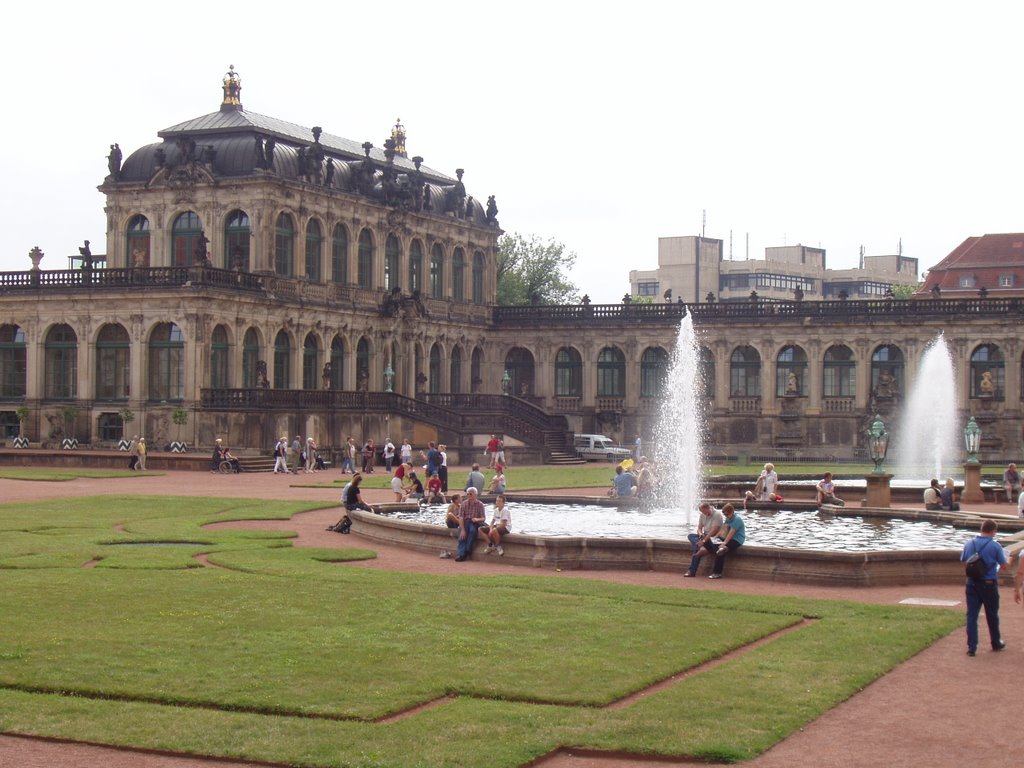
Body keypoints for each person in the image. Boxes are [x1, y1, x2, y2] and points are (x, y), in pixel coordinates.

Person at [962, 519, 1007, 656]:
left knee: (972, 615)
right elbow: (1004, 566)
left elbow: (965, 560)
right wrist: (1009, 560)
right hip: (988, 583)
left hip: (971, 583)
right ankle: (995, 642)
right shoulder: (995, 546)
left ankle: (971, 647)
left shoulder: (969, 543)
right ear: (993, 531)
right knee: (992, 615)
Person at [684, 502, 724, 577]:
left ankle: (692, 571)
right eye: (703, 512)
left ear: (709, 508)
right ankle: (702, 548)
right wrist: (700, 534)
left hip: (714, 538)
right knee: (691, 536)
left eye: (706, 512)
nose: (705, 514)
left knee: (696, 548)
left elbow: (714, 531)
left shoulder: (717, 515)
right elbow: (699, 528)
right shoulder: (703, 515)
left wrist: (704, 540)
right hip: (704, 536)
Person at [709, 503, 745, 579]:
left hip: (736, 539)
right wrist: (715, 537)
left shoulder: (737, 519)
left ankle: (717, 573)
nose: (726, 516)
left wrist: (724, 543)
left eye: (727, 514)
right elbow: (723, 529)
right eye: (724, 514)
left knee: (720, 552)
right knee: (711, 543)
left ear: (732, 511)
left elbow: (731, 533)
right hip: (728, 538)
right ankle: (723, 548)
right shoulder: (728, 518)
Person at [455, 486, 487, 561]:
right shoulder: (464, 504)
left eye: (471, 494)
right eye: (468, 494)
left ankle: (467, 550)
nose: (469, 496)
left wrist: (477, 519)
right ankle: (461, 554)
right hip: (466, 522)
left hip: (474, 523)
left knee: (472, 531)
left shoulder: (480, 504)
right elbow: (461, 517)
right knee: (462, 535)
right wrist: (462, 529)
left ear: (475, 495)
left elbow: (483, 518)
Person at [439, 492, 462, 559]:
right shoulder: (452, 505)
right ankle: (461, 524)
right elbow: (449, 515)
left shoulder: (460, 506)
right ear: (456, 500)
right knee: (450, 515)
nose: (461, 499)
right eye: (460, 498)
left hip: (457, 522)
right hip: (451, 522)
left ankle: (461, 525)